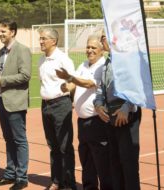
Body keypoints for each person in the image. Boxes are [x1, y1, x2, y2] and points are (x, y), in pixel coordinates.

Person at [56, 34, 112, 190]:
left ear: (101, 50)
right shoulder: (83, 65)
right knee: (86, 160)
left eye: (93, 47)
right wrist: (67, 87)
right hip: (82, 121)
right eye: (88, 47)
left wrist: (71, 79)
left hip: (97, 122)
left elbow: (88, 84)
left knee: (102, 161)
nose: (89, 50)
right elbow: (76, 82)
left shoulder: (103, 65)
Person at [93, 32, 142, 190]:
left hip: (127, 115)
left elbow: (137, 86)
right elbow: (101, 90)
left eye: (103, 37)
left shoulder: (127, 59)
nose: (101, 41)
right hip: (110, 117)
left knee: (128, 164)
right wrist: (98, 105)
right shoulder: (107, 62)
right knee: (114, 163)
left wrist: (126, 108)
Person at [0, 19, 31, 190]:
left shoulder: (22, 50)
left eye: (3, 31)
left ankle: (22, 177)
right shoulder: (0, 52)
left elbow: (26, 75)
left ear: (12, 32)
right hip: (2, 102)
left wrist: (1, 80)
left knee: (19, 140)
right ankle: (10, 173)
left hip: (16, 103)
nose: (0, 34)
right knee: (8, 140)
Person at [37, 27, 76, 190]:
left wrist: (69, 92)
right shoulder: (41, 60)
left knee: (65, 146)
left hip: (60, 104)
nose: (40, 41)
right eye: (40, 38)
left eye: (44, 38)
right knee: (52, 145)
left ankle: (69, 183)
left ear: (53, 41)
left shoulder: (63, 59)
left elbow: (74, 81)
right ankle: (56, 181)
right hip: (45, 106)